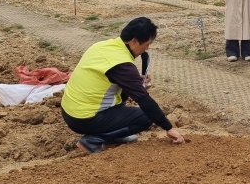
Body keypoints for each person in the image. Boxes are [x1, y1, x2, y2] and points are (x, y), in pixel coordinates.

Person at [60, 17, 185, 154]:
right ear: (135, 41)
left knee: (122, 100)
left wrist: (136, 82)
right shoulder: (122, 64)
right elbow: (144, 100)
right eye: (147, 44)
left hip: (70, 111)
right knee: (147, 116)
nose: (147, 48)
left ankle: (114, 138)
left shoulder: (103, 46)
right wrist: (168, 128)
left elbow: (111, 79)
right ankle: (94, 140)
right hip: (84, 118)